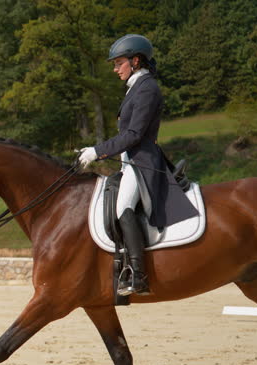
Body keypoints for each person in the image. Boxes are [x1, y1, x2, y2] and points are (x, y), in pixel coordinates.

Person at [79, 34, 197, 296]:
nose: (114, 69)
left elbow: (133, 135)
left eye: (118, 63)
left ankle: (138, 276)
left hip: (142, 163)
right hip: (129, 163)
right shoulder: (135, 87)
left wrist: (97, 151)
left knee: (123, 208)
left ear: (135, 61)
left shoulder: (147, 88)